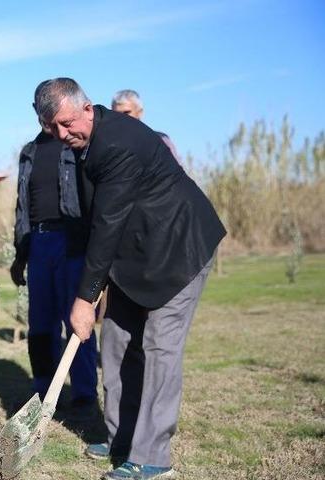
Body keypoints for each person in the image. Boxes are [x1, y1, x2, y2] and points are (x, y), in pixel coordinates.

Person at [35, 78, 225, 480]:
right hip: (134, 257)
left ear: (87, 107)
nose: (63, 134)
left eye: (67, 124)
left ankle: (153, 458)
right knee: (117, 342)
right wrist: (96, 285)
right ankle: (121, 438)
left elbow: (107, 224)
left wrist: (85, 298)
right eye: (53, 128)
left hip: (178, 251)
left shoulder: (119, 141)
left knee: (158, 347)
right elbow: (98, 223)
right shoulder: (86, 143)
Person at [10, 80, 98, 412]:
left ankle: (84, 390)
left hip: (72, 240)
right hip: (39, 243)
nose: (49, 122)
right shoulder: (29, 152)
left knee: (75, 316)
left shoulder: (75, 144)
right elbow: (21, 205)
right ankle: (44, 390)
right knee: (41, 322)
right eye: (41, 111)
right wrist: (21, 253)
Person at [111, 89, 180, 162]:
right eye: (117, 114)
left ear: (140, 112)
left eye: (127, 112)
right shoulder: (107, 144)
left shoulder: (160, 140)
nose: (122, 117)